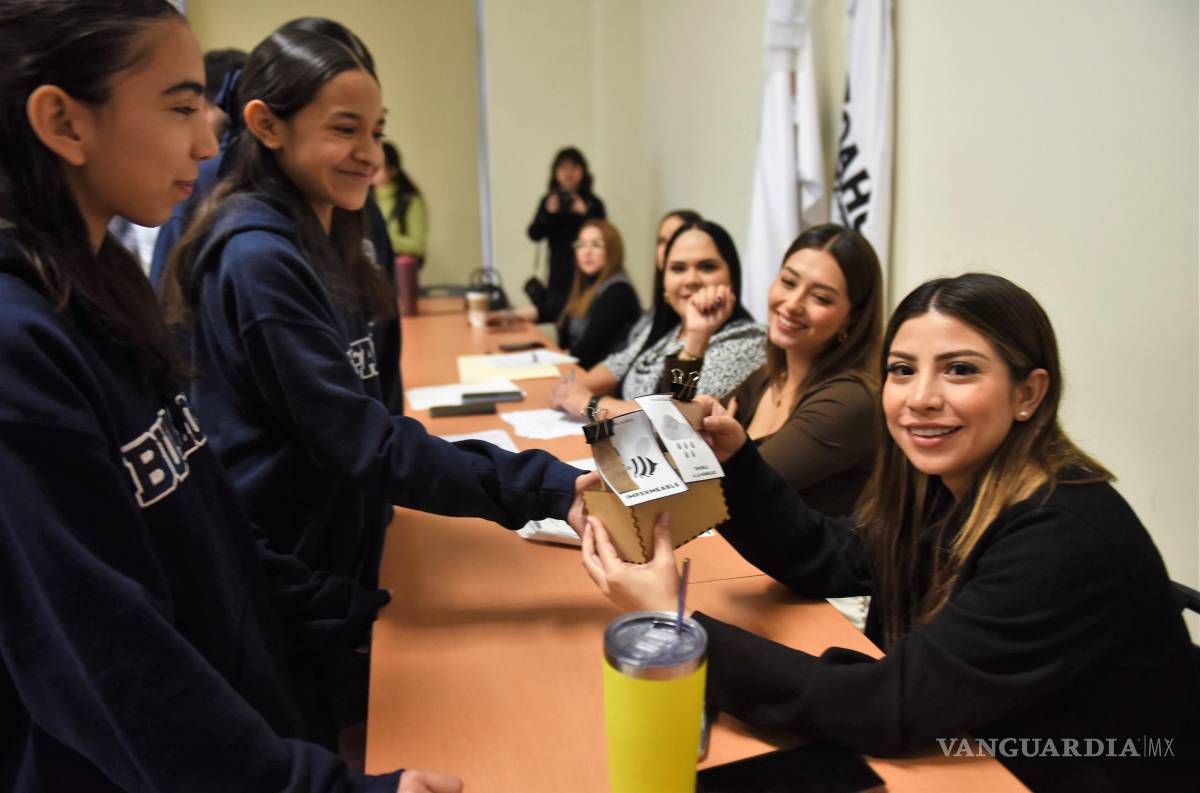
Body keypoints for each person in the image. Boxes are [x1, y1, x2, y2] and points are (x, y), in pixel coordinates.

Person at [0, 1, 457, 790]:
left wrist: (348, 612)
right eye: (180, 108)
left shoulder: (100, 284)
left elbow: (207, 529)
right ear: (63, 122)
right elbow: (117, 665)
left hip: (258, 705)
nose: (208, 142)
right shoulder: (19, 347)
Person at [581, 273, 1200, 791]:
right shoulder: (949, 483)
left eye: (959, 371)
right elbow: (829, 554)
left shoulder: (1059, 534)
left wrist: (674, 624)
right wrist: (738, 459)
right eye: (903, 370)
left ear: (1028, 394)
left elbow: (886, 708)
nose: (920, 397)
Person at [161, 22, 591, 745]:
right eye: (345, 129)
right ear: (266, 124)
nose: (370, 153)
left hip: (345, 543)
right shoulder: (259, 256)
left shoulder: (336, 227)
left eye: (377, 130)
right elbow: (361, 436)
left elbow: (375, 402)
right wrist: (544, 488)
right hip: (290, 565)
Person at [724, 224, 883, 516]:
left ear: (852, 319)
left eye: (821, 298)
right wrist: (697, 338)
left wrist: (711, 457)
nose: (793, 304)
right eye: (788, 282)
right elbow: (683, 434)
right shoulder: (768, 376)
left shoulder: (848, 400)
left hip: (784, 561)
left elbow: (737, 492)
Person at [548, 218, 765, 418]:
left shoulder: (746, 339)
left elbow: (673, 417)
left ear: (732, 277)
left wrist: (590, 404)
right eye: (678, 268)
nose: (690, 279)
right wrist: (569, 390)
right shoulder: (669, 329)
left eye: (707, 267)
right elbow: (619, 363)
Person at [525, 146, 605, 323]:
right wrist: (548, 213)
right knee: (558, 316)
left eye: (574, 167)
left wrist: (585, 213)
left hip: (587, 272)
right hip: (558, 272)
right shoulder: (549, 202)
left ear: (583, 171)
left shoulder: (593, 202)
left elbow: (605, 237)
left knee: (584, 319)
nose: (568, 173)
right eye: (563, 168)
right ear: (555, 173)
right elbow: (534, 234)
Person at [374, 141, 427, 264]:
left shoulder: (409, 199)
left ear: (393, 169)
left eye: (378, 166)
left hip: (396, 267)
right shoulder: (363, 197)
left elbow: (419, 245)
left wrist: (386, 239)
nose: (372, 169)